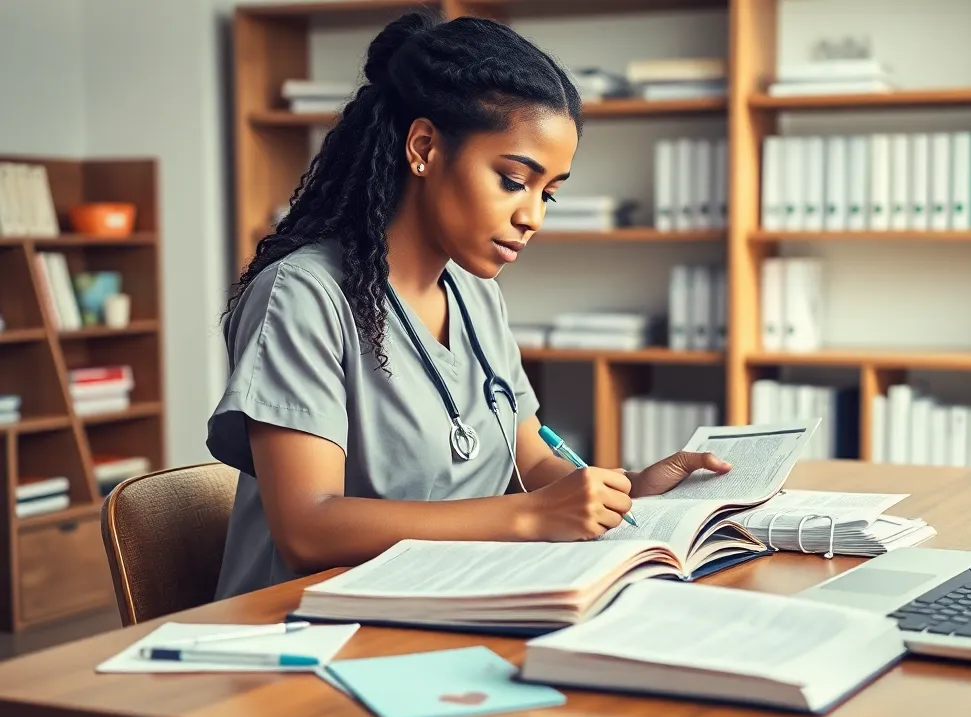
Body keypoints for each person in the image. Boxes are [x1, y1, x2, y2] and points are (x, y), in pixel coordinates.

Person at [206, 11, 730, 601]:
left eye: (549, 192)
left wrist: (630, 488)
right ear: (424, 147)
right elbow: (308, 528)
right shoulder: (303, 295)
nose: (533, 216)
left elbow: (533, 462)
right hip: (300, 630)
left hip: (442, 603)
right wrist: (530, 518)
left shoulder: (477, 296)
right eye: (513, 180)